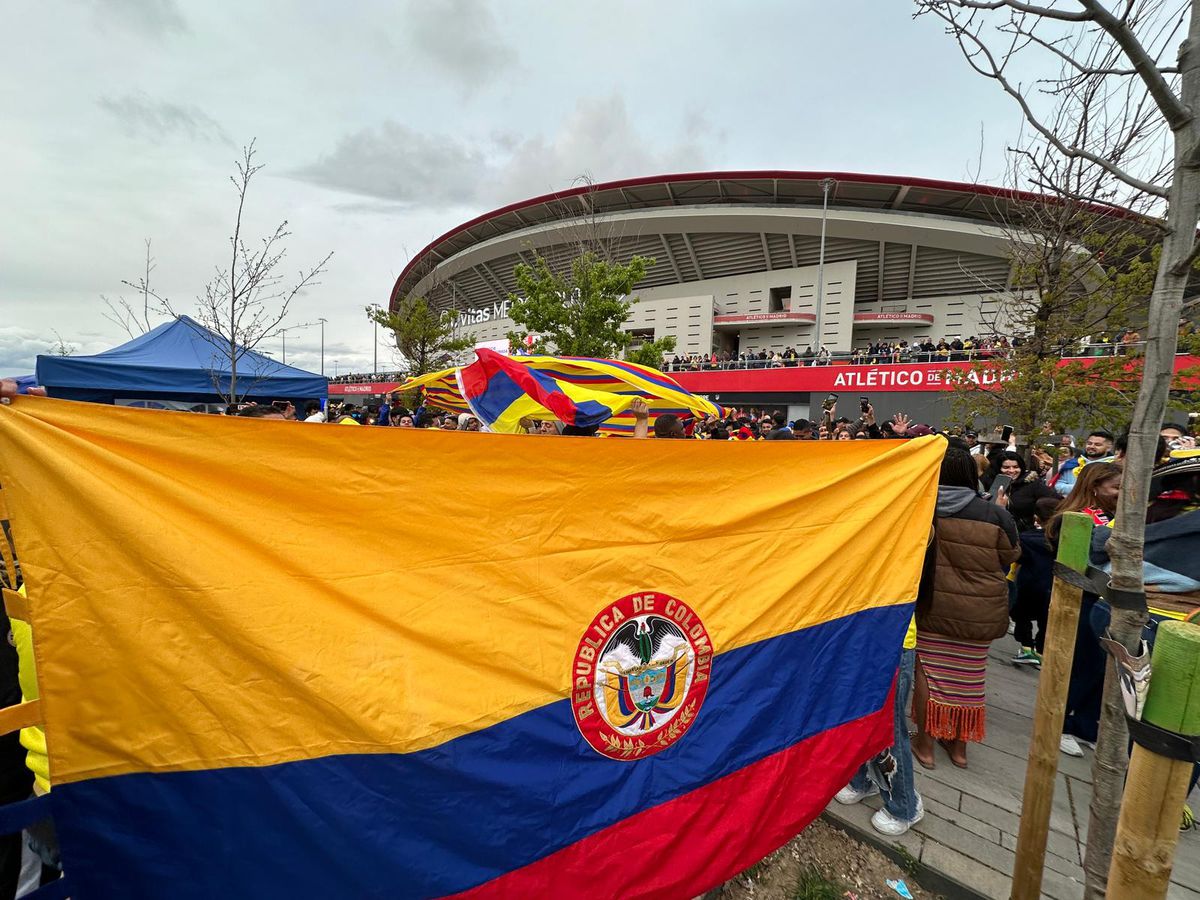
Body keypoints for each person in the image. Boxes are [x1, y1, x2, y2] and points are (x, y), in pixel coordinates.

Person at [912, 444, 1020, 770]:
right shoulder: (995, 515)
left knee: (927, 672)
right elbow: (1011, 556)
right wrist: (1003, 511)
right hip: (981, 610)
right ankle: (959, 748)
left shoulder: (920, 509)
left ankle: (925, 744)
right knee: (969, 678)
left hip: (933, 604)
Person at [1044, 461, 1122, 757]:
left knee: (1102, 668)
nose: (1120, 493)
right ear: (1094, 488)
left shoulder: (1117, 517)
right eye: (1115, 487)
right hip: (1079, 600)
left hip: (1109, 601)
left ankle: (1086, 726)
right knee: (1080, 666)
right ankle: (1061, 724)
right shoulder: (1074, 518)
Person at [1011, 497, 1061, 666]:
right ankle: (1040, 651)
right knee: (1046, 621)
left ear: (1036, 518)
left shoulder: (1027, 538)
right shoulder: (1063, 541)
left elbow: (1018, 557)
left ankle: (1026, 647)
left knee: (1021, 615)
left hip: (1028, 586)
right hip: (1053, 588)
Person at [990, 451, 1059, 532]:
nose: (1012, 471)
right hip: (995, 530)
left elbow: (1057, 501)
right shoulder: (991, 482)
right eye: (1006, 467)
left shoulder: (1032, 483)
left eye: (1016, 467)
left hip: (1023, 533)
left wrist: (1043, 520)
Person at [1051, 430, 1114, 497]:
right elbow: (1058, 486)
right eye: (1089, 443)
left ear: (1108, 448)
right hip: (1069, 502)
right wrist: (1080, 488)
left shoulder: (1114, 466)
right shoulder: (1073, 463)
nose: (1092, 446)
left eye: (1097, 445)